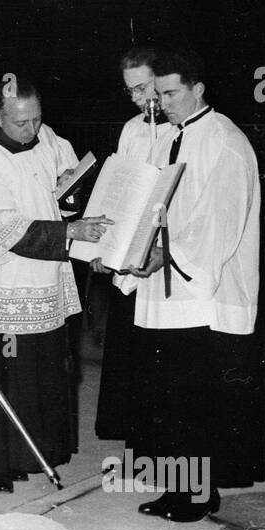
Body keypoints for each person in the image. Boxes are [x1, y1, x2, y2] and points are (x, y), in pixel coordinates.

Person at [0, 75, 111, 492]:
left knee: (41, 370)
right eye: (21, 123)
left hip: (45, 278)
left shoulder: (46, 138)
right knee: (6, 372)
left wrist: (71, 190)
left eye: (36, 119)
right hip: (5, 282)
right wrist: (69, 233)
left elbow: (59, 195)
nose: (31, 129)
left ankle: (35, 453)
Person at [122, 48, 265, 521]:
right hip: (165, 288)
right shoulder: (167, 138)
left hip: (202, 291)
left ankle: (198, 495)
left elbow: (218, 219)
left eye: (171, 93)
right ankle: (177, 489)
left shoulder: (224, 139)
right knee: (169, 395)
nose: (161, 103)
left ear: (198, 88)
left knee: (194, 399)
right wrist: (125, 248)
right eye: (158, 94)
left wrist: (169, 254)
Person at [93, 46, 172, 445]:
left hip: (163, 251)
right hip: (129, 248)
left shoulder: (178, 129)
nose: (139, 98)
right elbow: (120, 189)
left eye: (144, 88)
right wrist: (105, 246)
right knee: (128, 344)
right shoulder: (131, 129)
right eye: (132, 91)